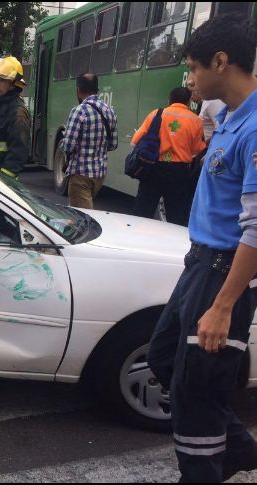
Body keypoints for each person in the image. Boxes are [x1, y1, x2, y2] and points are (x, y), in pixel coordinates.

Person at [146, 14, 257, 483]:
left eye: (193, 68)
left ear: (221, 61)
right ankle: (238, 449)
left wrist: (223, 305)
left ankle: (204, 471)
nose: (188, 79)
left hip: (224, 273)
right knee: (165, 356)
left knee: (196, 389)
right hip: (200, 266)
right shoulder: (230, 116)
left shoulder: (253, 128)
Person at [131, 87, 206, 226]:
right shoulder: (196, 120)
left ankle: (137, 238)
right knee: (176, 215)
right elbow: (197, 149)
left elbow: (135, 140)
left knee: (142, 211)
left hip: (153, 168)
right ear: (189, 102)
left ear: (169, 100)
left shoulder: (156, 114)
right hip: (179, 172)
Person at [60, 73, 118, 209]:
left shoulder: (78, 111)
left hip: (80, 173)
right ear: (97, 91)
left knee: (82, 217)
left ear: (78, 91)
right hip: (100, 174)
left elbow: (68, 146)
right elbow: (113, 144)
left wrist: (64, 143)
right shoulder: (110, 111)